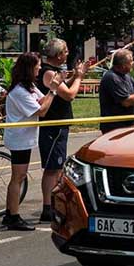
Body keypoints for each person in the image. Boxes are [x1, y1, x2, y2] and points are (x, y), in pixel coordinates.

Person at [2, 52, 61, 230]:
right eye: (37, 67)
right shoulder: (19, 91)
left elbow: (41, 100)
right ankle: (13, 216)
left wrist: (54, 87)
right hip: (19, 138)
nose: (40, 69)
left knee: (19, 176)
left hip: (25, 137)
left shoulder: (29, 87)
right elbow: (41, 111)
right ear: (28, 68)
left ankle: (9, 213)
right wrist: (53, 91)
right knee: (18, 177)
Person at [36, 39, 87, 224]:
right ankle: (47, 207)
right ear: (58, 55)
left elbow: (63, 88)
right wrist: (79, 77)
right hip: (53, 126)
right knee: (52, 168)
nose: (67, 54)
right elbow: (69, 95)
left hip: (59, 126)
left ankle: (54, 203)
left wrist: (76, 76)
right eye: (65, 52)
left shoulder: (55, 71)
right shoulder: (49, 73)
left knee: (57, 168)